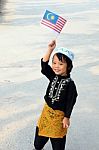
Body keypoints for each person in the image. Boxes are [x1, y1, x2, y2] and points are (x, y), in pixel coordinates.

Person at [34, 40, 78, 150]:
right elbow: (44, 67)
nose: (56, 66)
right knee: (38, 143)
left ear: (68, 66)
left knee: (58, 144)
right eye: (54, 63)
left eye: (61, 64)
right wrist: (50, 49)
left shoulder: (70, 84)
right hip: (46, 114)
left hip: (59, 118)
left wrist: (67, 117)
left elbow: (70, 102)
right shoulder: (53, 76)